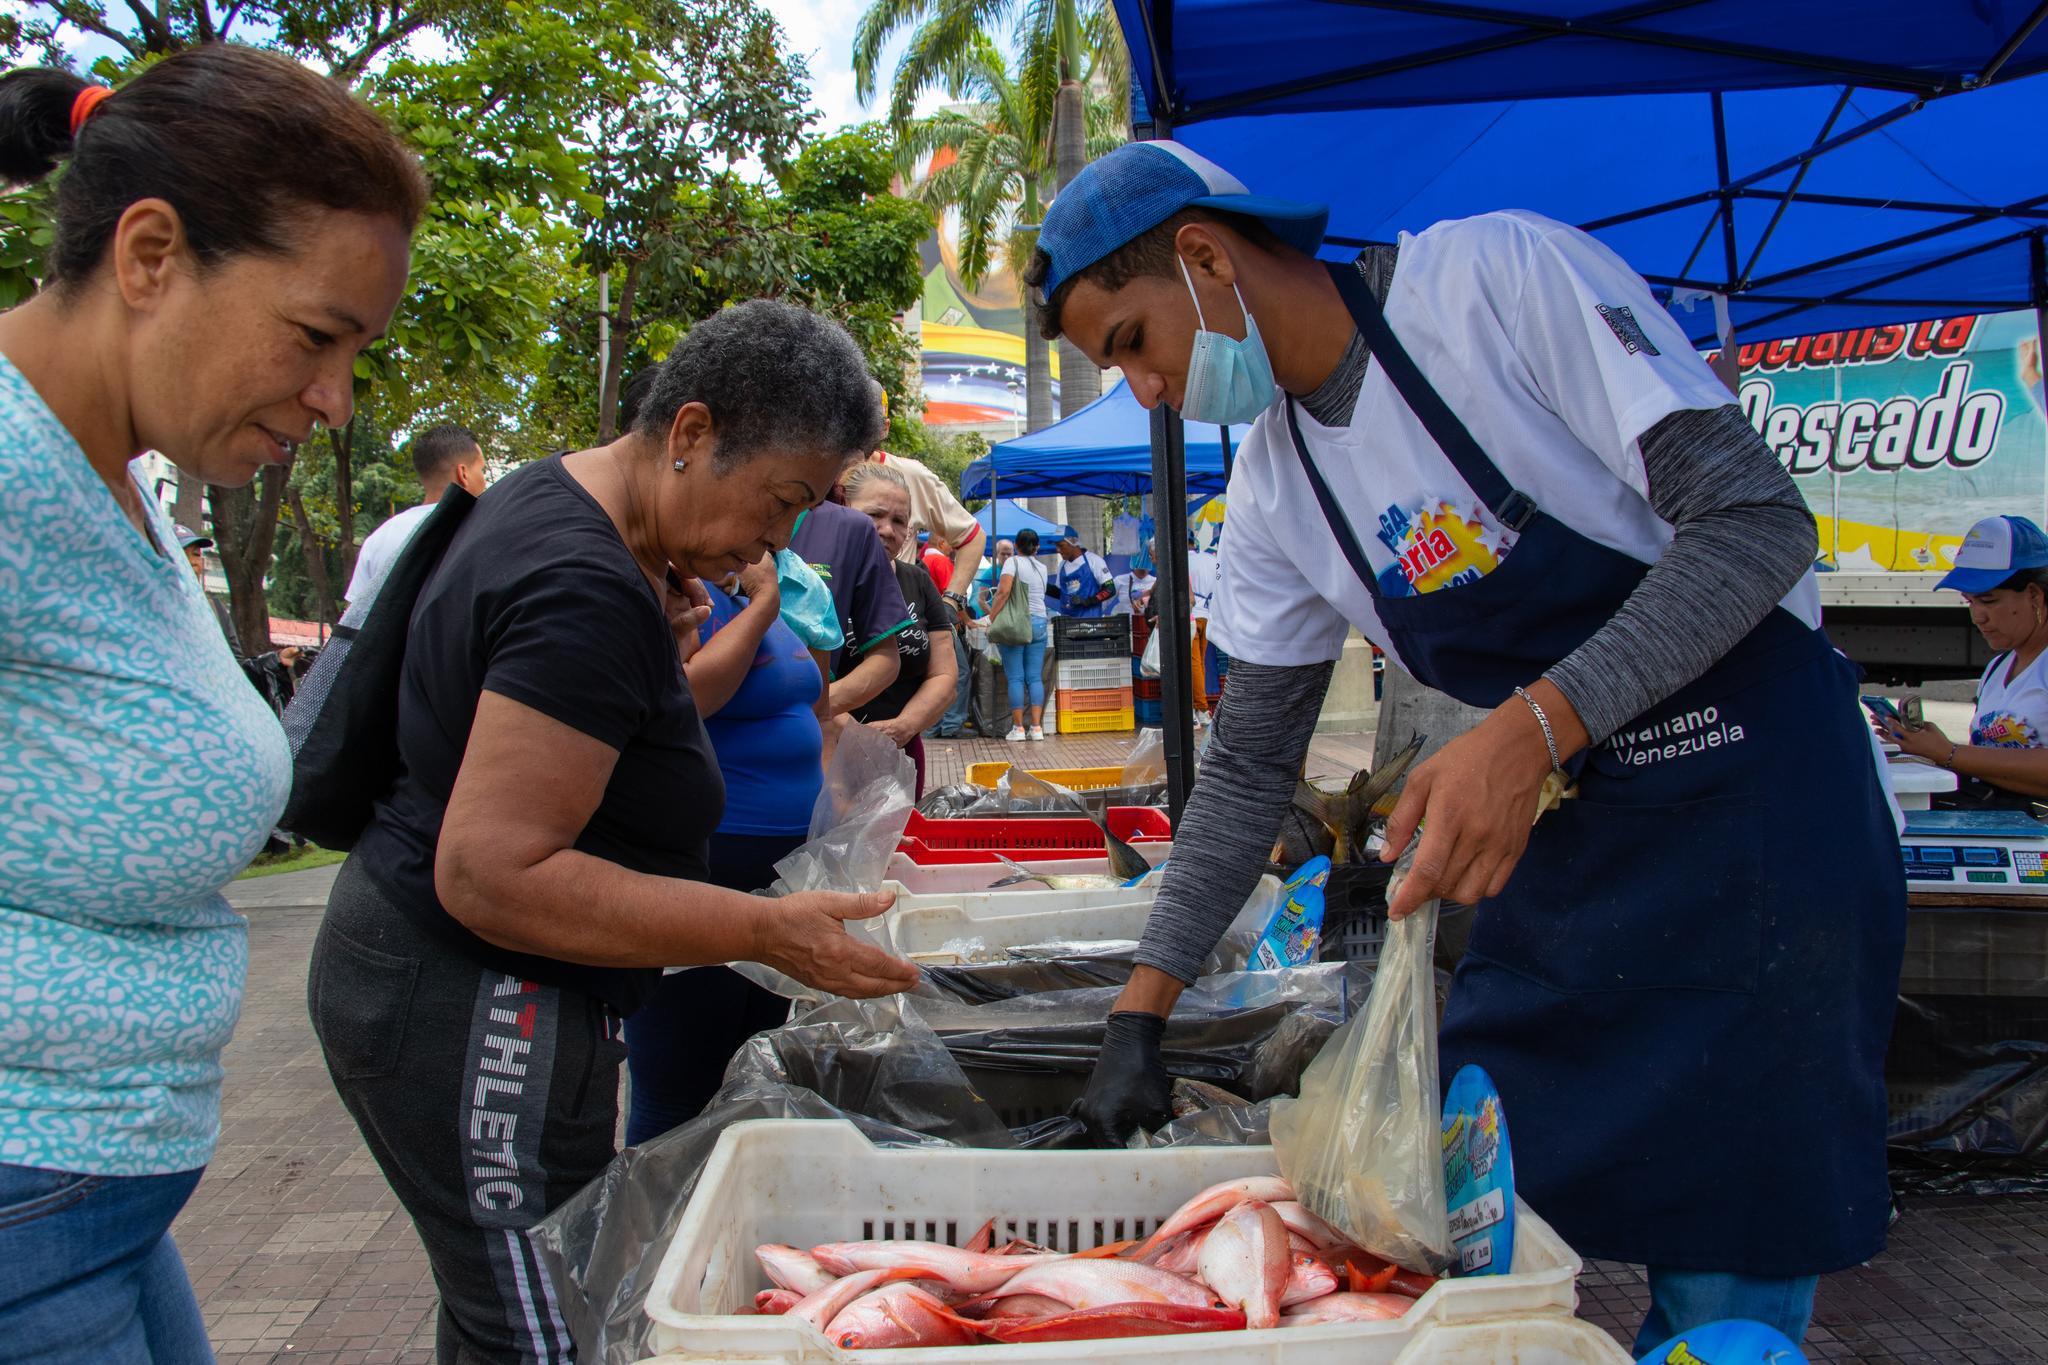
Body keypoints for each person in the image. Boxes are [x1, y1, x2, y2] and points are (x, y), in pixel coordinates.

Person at [1030, 140, 1902, 1351]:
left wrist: (1532, 726)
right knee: (1458, 1205)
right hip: (1580, 849)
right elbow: (1243, 772)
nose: (1143, 389)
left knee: (1723, 1265)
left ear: (1201, 257)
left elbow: (1756, 526)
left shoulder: (1488, 283)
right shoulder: (1278, 488)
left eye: (1130, 342)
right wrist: (1140, 1015)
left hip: (1753, 820)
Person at [308, 300, 919, 1363]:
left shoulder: (575, 518)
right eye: (779, 500)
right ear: (689, 434)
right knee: (552, 1319)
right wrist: (760, 929)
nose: (778, 541)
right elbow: (492, 872)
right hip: (466, 993)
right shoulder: (582, 579)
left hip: (488, 986)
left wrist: (658, 646)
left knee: (508, 1309)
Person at [0, 48, 424, 1362]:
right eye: (315, 337)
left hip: (102, 1199)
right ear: (148, 256)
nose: (334, 400)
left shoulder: (117, 482)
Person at [622, 553, 823, 1145]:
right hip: (707, 860)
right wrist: (763, 607)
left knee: (752, 1067)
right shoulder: (681, 592)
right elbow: (688, 699)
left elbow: (812, 701)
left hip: (779, 865)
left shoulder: (757, 585)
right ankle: (656, 1226)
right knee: (680, 1078)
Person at [1878, 515, 2048, 807]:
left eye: (1989, 601)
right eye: (1970, 602)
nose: (1977, 616)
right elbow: (1993, 766)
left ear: (2033, 594)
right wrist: (1925, 746)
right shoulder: (1998, 668)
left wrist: (1948, 753)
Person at [844, 461, 958, 793]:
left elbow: (944, 674)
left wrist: (903, 727)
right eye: (873, 516)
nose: (887, 530)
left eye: (899, 521)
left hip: (903, 751)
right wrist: (848, 733)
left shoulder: (918, 581)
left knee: (899, 840)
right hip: (833, 747)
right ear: (843, 511)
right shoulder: (823, 579)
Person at [346, 422, 488, 606]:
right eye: (481, 469)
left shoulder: (379, 537)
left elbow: (352, 621)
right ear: (463, 473)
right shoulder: (479, 530)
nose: (484, 480)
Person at [988, 526, 1051, 741]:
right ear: (1037, 547)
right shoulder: (1042, 568)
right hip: (1040, 623)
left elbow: (1004, 592)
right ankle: (1036, 728)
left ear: (1015, 546)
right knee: (1034, 677)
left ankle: (1019, 729)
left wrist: (992, 617)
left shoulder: (1011, 562)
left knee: (1015, 676)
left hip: (1017, 624)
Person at [1051, 529, 1116, 619]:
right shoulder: (1062, 565)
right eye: (1056, 546)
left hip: (1090, 623)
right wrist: (1043, 587)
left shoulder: (1094, 561)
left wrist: (1087, 601)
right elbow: (1061, 593)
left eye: (1061, 546)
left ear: (1073, 542)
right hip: (1067, 623)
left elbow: (1110, 589)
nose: (1058, 550)